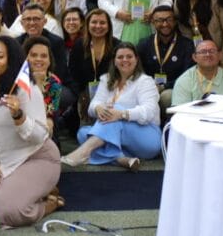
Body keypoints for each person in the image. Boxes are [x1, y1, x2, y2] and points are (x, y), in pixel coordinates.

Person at [0, 35, 61, 227]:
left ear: (10, 60)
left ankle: (48, 204)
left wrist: (19, 116)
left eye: (0, 56)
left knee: (10, 211)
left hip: (36, 157)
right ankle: (34, 191)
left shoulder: (26, 89)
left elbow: (40, 136)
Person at [63, 42, 160, 171]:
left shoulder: (145, 81)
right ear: (114, 61)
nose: (124, 60)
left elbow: (149, 112)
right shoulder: (106, 79)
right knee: (83, 133)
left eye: (129, 56)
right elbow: (93, 106)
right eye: (120, 57)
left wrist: (122, 114)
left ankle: (84, 152)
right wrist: (98, 108)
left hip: (148, 138)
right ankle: (121, 159)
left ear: (136, 59)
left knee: (115, 111)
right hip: (120, 138)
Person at [136, 5, 195, 112]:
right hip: (148, 87)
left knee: (166, 97)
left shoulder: (187, 45)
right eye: (159, 20)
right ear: (153, 23)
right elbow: (138, 71)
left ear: (175, 22)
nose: (165, 24)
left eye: (169, 20)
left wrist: (164, 86)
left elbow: (188, 75)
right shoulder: (144, 44)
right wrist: (149, 86)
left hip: (175, 88)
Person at [69, 8, 120, 131]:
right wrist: (80, 94)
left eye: (102, 23)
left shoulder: (117, 45)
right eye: (94, 22)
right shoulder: (79, 44)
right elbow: (73, 72)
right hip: (85, 93)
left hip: (111, 92)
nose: (98, 26)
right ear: (87, 25)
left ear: (109, 26)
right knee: (86, 130)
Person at [171, 40, 223, 105]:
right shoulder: (184, 80)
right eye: (203, 52)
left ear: (220, 55)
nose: (208, 55)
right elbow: (179, 113)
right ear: (194, 57)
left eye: (212, 51)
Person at [23, 35, 68, 139]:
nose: (39, 59)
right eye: (34, 55)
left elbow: (48, 114)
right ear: (26, 58)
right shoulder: (18, 79)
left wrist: (38, 85)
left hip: (42, 124)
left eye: (43, 56)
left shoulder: (54, 82)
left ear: (49, 60)